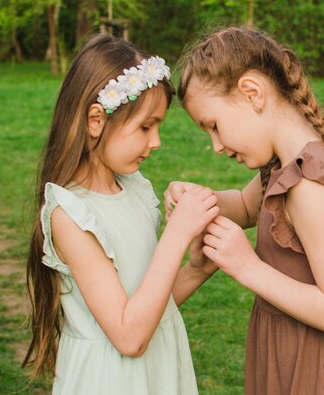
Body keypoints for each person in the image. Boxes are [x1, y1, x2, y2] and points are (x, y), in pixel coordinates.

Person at [166, 26, 324, 395]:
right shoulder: (284, 166)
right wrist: (198, 199)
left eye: (214, 126)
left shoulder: (309, 187)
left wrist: (247, 266)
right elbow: (244, 207)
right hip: (294, 349)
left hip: (322, 368)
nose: (216, 145)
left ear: (252, 93)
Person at [22, 34, 219, 395]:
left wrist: (195, 271)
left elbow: (145, 307)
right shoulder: (70, 215)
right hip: (109, 380)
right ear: (96, 119)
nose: (156, 141)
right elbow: (129, 336)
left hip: (155, 371)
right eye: (146, 126)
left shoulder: (132, 190)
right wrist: (176, 234)